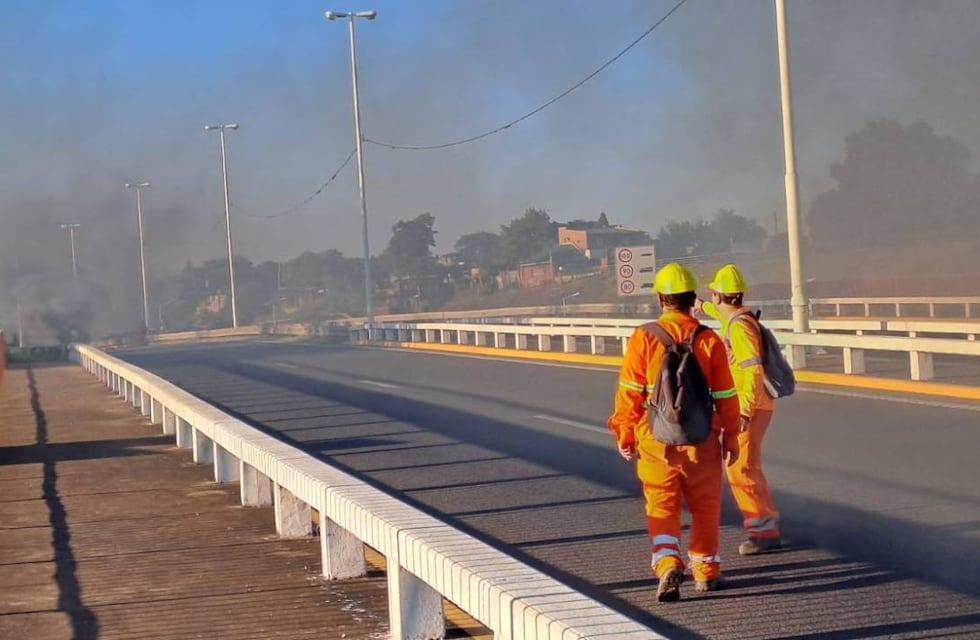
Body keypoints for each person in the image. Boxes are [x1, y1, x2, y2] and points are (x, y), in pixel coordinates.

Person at [607, 263, 740, 602]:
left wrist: (624, 433)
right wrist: (732, 438)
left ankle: (667, 562)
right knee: (705, 507)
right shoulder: (708, 339)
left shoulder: (644, 337)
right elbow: (726, 395)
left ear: (661, 300)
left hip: (655, 440)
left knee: (662, 505)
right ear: (692, 298)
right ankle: (706, 572)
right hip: (702, 440)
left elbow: (630, 392)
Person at [697, 264, 782, 555]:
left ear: (722, 295)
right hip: (756, 405)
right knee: (748, 467)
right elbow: (719, 311)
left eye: (713, 295)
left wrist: (743, 412)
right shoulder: (735, 317)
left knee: (739, 469)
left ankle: (762, 533)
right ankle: (766, 524)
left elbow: (753, 371)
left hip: (751, 407)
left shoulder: (740, 326)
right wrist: (702, 305)